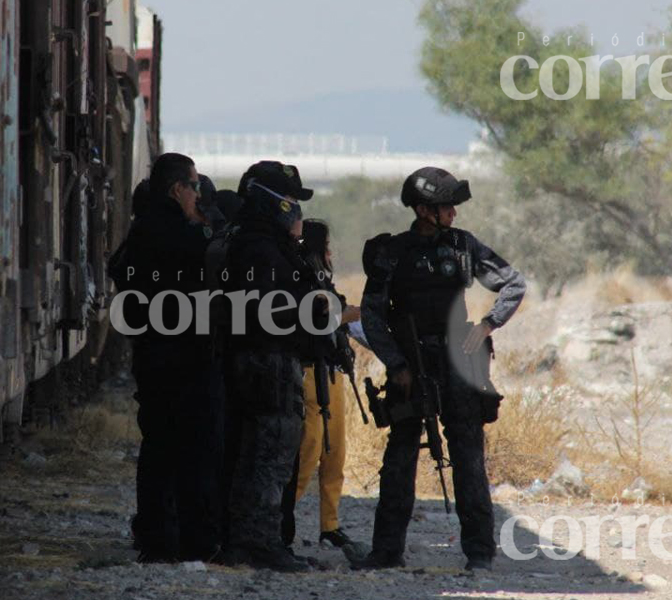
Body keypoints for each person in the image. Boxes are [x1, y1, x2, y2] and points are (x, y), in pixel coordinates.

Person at [351, 166, 525, 572]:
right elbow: (373, 316)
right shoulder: (391, 253)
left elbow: (513, 284)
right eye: (447, 206)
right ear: (424, 210)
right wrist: (396, 364)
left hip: (458, 365)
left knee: (468, 455)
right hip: (410, 367)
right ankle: (386, 552)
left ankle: (480, 553)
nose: (454, 214)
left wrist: (487, 324)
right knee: (400, 457)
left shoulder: (464, 246)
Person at [110, 152, 224, 563]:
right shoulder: (180, 234)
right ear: (177, 189)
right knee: (193, 451)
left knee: (159, 450)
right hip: (184, 358)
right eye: (194, 186)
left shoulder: (141, 231)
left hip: (155, 356)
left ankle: (157, 541)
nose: (198, 194)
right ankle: (191, 542)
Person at [217, 161, 323, 572]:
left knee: (252, 452)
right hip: (268, 359)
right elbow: (272, 309)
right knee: (270, 453)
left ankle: (245, 541)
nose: (296, 210)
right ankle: (259, 544)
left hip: (256, 358)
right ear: (271, 202)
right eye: (291, 201)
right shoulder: (262, 249)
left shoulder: (250, 240)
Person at [280, 219, 362, 550]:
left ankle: (330, 525)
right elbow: (316, 318)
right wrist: (347, 314)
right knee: (309, 448)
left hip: (332, 372)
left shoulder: (321, 280)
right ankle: (280, 516)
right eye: (326, 246)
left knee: (334, 453)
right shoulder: (304, 278)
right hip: (311, 372)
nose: (331, 253)